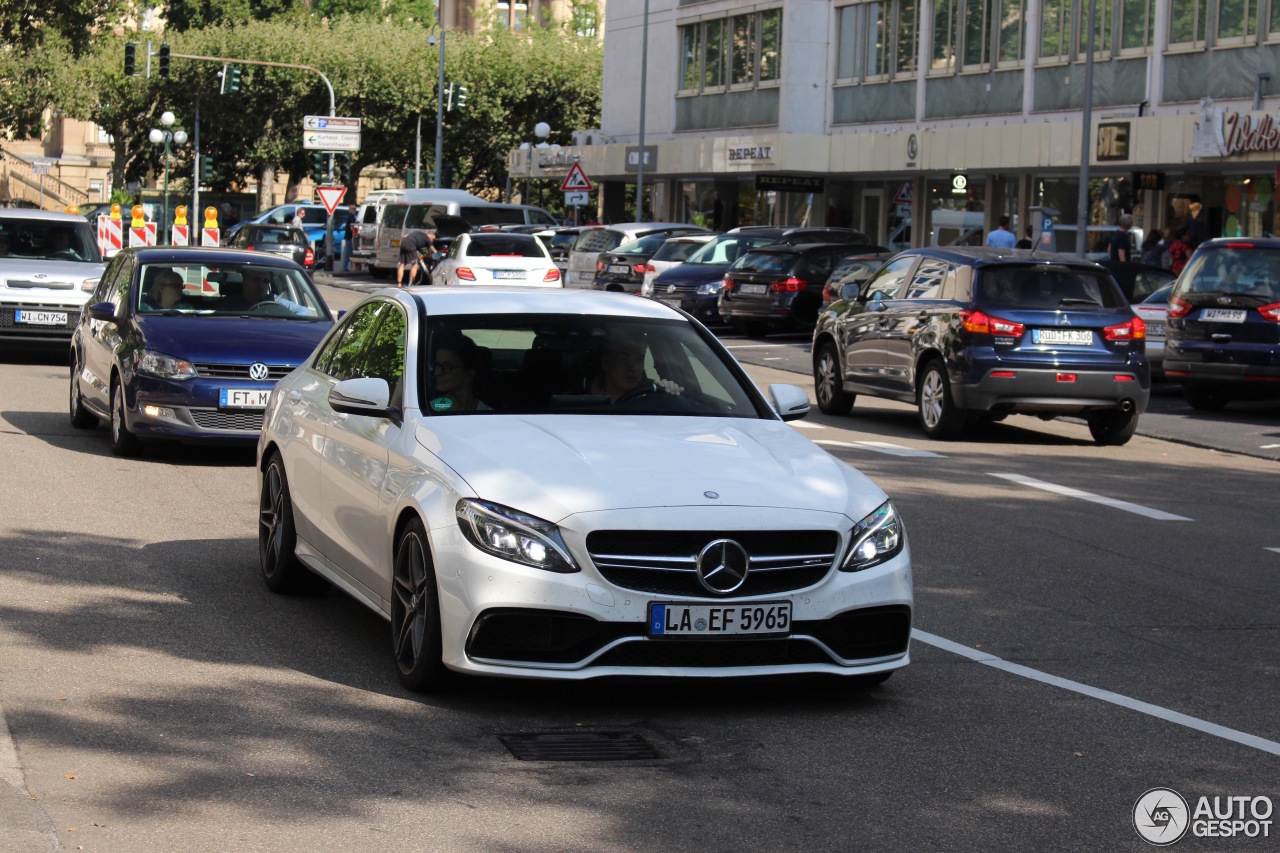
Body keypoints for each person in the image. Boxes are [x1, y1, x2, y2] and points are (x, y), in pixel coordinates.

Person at [591, 332, 683, 403]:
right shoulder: (583, 401)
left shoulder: (651, 397)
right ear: (605, 362)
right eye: (624, 358)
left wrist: (669, 391)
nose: (634, 367)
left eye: (639, 360)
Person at [429, 334, 489, 412]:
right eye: (437, 365)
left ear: (468, 374)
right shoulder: (428, 410)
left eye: (447, 366)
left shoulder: (488, 413)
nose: (437, 373)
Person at [232, 268, 314, 316]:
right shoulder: (227, 305)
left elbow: (306, 312)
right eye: (256, 279)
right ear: (245, 279)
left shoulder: (276, 301)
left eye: (266, 281)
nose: (261, 285)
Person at [341, 204, 358, 272]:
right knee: (348, 253)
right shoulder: (351, 217)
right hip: (350, 237)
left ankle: (352, 267)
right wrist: (356, 232)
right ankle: (345, 267)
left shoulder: (350, 217)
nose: (354, 210)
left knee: (349, 252)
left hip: (348, 237)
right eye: (353, 209)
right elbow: (352, 228)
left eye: (355, 209)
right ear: (350, 210)